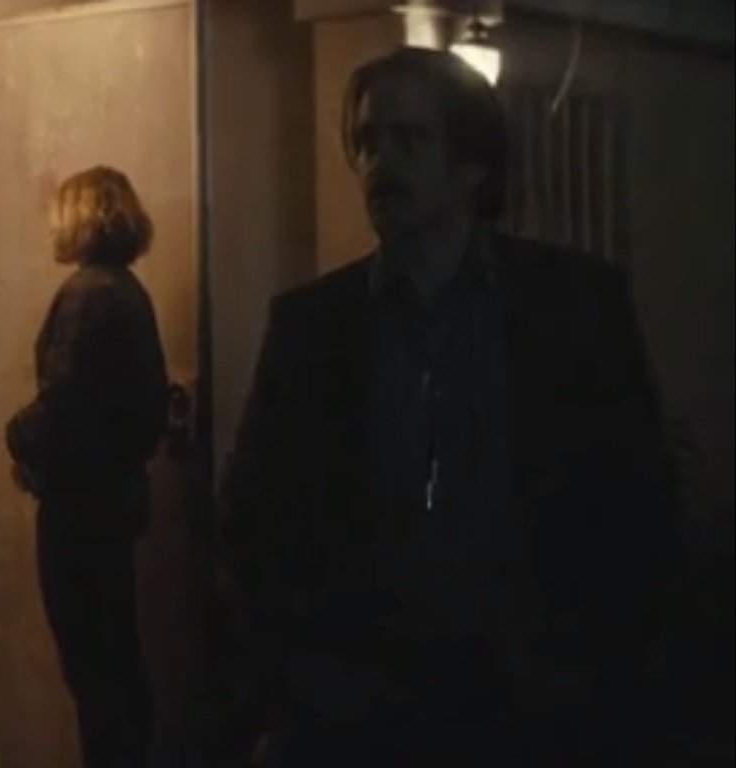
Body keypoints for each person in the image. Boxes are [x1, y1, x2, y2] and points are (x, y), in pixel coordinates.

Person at [217, 47, 683, 765]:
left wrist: (601, 676)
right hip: (362, 714)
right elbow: (254, 515)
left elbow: (636, 499)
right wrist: (295, 685)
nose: (380, 164)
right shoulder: (312, 326)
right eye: (367, 143)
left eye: (408, 140)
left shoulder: (573, 307)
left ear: (472, 165)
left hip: (537, 710)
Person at [6, 166, 170, 768]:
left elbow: (65, 401)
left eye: (58, 214)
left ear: (80, 218)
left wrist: (18, 439)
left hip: (79, 507)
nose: (51, 226)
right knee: (115, 662)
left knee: (94, 669)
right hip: (114, 498)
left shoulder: (88, 295)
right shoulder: (126, 290)